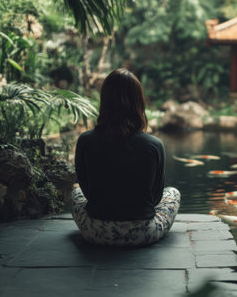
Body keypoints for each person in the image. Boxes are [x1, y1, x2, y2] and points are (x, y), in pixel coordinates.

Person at [71, 68, 180, 246]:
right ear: (139, 103)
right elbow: (156, 196)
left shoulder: (85, 140)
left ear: (104, 101)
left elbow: (86, 191)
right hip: (143, 234)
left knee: (75, 193)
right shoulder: (154, 144)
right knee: (173, 193)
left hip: (96, 233)